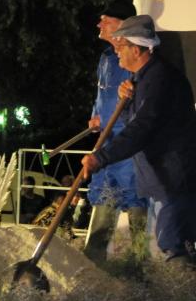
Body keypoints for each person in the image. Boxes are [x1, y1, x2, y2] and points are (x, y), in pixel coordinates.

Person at [82, 15, 196, 267]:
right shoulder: (144, 78)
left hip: (174, 179)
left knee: (174, 248)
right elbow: (138, 119)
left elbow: (143, 127)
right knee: (174, 246)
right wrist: (127, 104)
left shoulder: (159, 79)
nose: (118, 53)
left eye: (121, 47)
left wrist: (101, 157)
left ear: (136, 49)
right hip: (163, 180)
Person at [84, 0, 148, 263]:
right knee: (102, 196)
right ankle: (92, 263)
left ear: (122, 26)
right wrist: (94, 117)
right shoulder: (107, 59)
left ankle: (141, 266)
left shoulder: (135, 58)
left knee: (135, 202)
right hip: (104, 142)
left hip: (127, 146)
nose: (100, 24)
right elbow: (101, 97)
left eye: (106, 20)